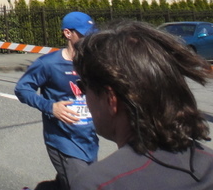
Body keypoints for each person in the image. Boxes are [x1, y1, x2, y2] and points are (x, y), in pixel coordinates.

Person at [71, 20, 213, 189]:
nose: (82, 95)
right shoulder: (208, 163)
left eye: (83, 87)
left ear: (111, 99)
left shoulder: (98, 183)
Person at [14, 12, 98, 190]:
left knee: (68, 184)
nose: (89, 39)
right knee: (83, 185)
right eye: (84, 34)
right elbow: (22, 88)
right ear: (68, 33)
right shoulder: (48, 64)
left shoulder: (93, 63)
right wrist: (50, 107)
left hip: (89, 139)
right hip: (63, 141)